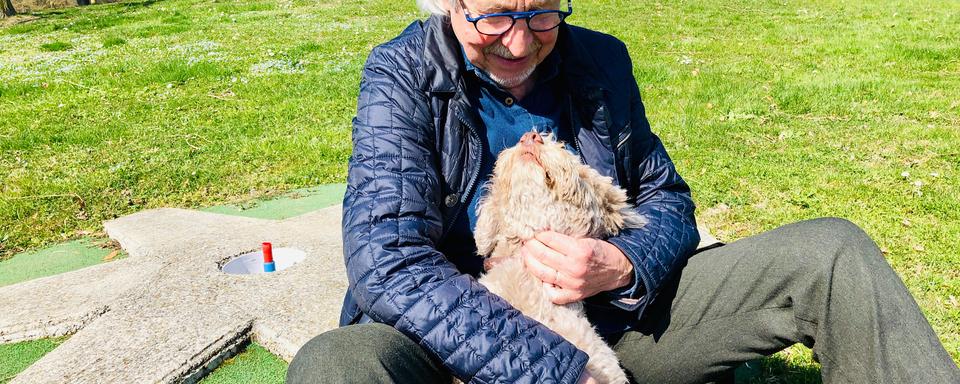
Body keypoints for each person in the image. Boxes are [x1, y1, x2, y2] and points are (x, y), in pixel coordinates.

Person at [287, 1, 960, 383]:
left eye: (542, 11)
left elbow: (665, 197)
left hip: (609, 322)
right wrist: (559, 370)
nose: (520, 41)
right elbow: (388, 261)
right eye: (493, 16)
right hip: (451, 345)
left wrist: (625, 265)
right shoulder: (401, 74)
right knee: (333, 366)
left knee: (830, 253)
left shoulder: (599, 59)